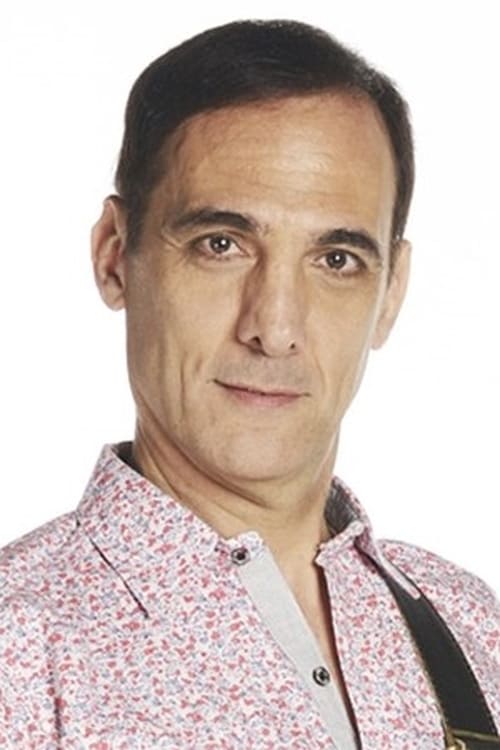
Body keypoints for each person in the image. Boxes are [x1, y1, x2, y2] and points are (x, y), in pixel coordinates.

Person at [0, 18, 498, 750]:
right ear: (115, 255)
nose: (275, 327)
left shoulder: (473, 630)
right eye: (221, 244)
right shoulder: (18, 656)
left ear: (391, 293)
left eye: (336, 260)